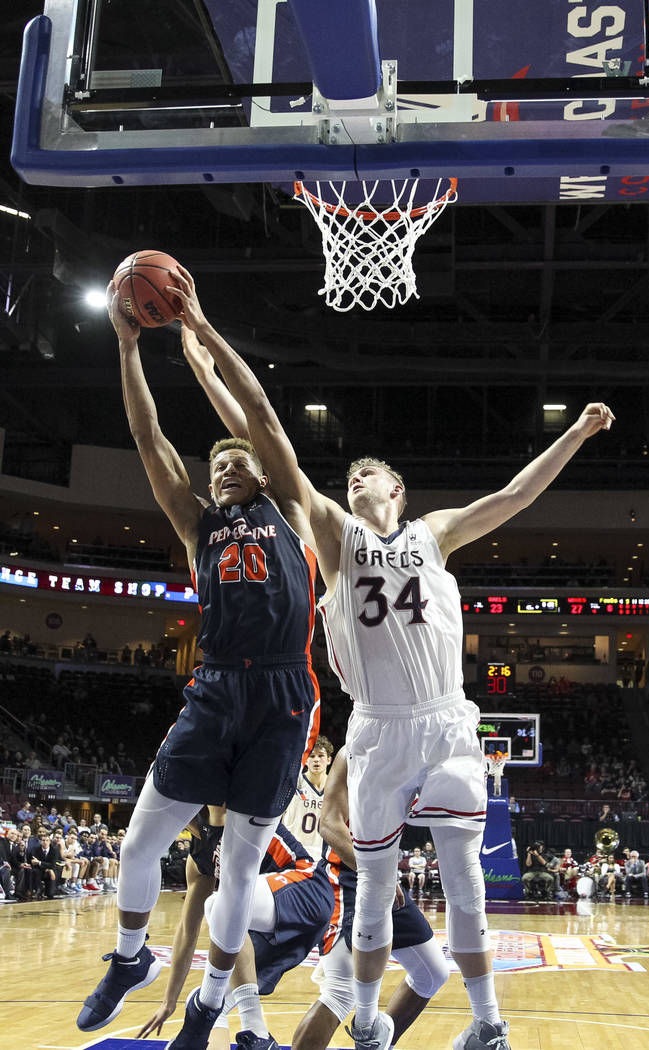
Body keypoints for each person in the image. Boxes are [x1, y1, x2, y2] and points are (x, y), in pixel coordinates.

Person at [173, 264, 614, 1050]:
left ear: (397, 490)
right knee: (373, 884)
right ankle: (370, 1021)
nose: (353, 478)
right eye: (349, 475)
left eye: (366, 473)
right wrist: (206, 367)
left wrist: (575, 435)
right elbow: (269, 443)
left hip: (443, 721)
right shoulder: (333, 533)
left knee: (464, 878)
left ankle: (487, 1024)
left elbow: (514, 496)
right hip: (375, 726)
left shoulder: (434, 532)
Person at [77, 283, 321, 1050]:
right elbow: (148, 436)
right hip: (215, 686)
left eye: (237, 462)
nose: (225, 469)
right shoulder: (196, 526)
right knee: (137, 846)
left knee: (238, 874)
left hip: (282, 687)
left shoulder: (291, 510)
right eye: (216, 466)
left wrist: (204, 331)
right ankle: (128, 959)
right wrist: (127, 346)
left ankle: (213, 1006)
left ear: (264, 474)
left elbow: (261, 413)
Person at [291, 747, 449, 1050]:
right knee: (340, 991)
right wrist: (376, 873)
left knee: (432, 973)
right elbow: (329, 824)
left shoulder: (415, 752)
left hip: (384, 877)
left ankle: (374, 1045)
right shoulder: (353, 752)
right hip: (348, 875)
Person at [137, 808, 333, 1049]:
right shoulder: (198, 859)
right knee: (210, 1000)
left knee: (220, 906)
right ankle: (251, 1033)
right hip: (271, 920)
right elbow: (187, 931)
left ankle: (256, 1029)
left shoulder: (230, 813)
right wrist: (169, 1000)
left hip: (307, 888)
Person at [281, 735, 334, 858]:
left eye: (321, 756)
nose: (316, 760)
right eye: (312, 756)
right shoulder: (293, 783)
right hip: (293, 853)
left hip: (322, 857)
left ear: (329, 760)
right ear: (305, 760)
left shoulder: (336, 789)